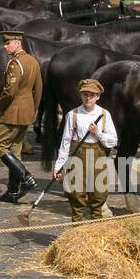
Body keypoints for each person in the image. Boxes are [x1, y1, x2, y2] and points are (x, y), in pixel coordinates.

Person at [53, 79, 119, 222]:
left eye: (92, 95)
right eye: (85, 94)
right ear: (80, 95)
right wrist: (59, 166)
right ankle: (76, 230)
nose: (88, 98)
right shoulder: (73, 115)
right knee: (76, 196)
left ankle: (95, 232)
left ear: (98, 96)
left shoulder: (104, 114)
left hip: (98, 156)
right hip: (78, 157)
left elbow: (113, 141)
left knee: (98, 195)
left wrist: (98, 133)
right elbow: (65, 143)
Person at [0, 30, 42, 203]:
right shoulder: (33, 61)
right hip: (26, 112)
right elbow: (38, 89)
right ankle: (12, 191)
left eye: (7, 43)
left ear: (17, 43)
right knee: (15, 152)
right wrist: (32, 109)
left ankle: (27, 178)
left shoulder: (15, 64)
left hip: (12, 113)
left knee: (0, 148)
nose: (5, 47)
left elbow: (10, 92)